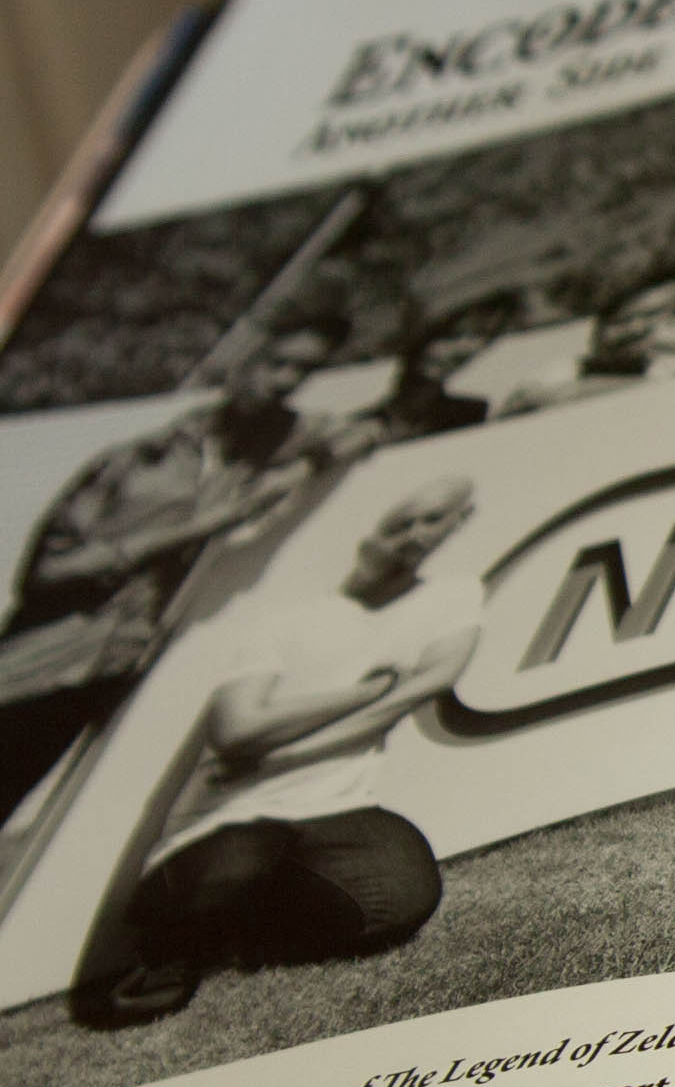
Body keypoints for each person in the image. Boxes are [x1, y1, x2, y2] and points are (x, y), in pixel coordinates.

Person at [69, 477, 483, 1028]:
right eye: (398, 524)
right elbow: (236, 731)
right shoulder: (286, 620)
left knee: (402, 896)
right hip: (231, 813)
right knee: (234, 866)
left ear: (459, 521)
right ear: (367, 534)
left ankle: (239, 939)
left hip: (335, 806)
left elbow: (427, 683)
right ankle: (172, 950)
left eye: (432, 520)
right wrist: (362, 691)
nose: (414, 535)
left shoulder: (453, 596)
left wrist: (288, 753)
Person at [0, 322, 348, 832]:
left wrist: (311, 462)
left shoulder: (263, 455)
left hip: (116, 668)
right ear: (242, 361)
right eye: (278, 364)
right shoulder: (140, 460)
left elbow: (361, 430)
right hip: (33, 664)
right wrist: (203, 526)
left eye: (305, 371)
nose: (288, 381)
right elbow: (45, 573)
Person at [494, 269, 675, 415]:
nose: (635, 328)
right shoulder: (568, 368)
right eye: (623, 320)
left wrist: (658, 342)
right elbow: (550, 397)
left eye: (653, 316)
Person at [362, 290, 517, 444]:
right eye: (455, 335)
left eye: (485, 336)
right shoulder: (372, 426)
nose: (470, 346)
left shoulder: (472, 412)